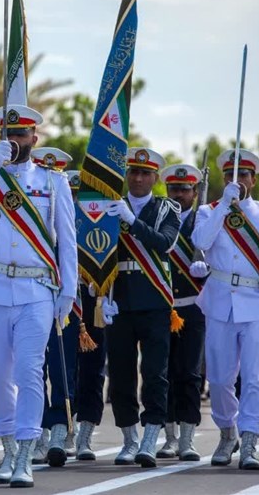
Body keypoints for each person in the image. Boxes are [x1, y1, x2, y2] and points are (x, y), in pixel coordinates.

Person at [0, 104, 77, 488]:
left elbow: (68, 242)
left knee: (29, 370)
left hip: (36, 289)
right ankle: (8, 449)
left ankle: (27, 453)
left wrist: (69, 290)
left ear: (34, 139)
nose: (13, 141)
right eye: (6, 134)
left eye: (20, 135)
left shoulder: (53, 181)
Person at [191, 149, 259, 470]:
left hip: (256, 302)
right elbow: (201, 241)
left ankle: (249, 440)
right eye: (232, 177)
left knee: (255, 377)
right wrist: (223, 205)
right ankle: (226, 430)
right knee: (219, 379)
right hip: (220, 300)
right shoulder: (209, 211)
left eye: (244, 175)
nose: (239, 181)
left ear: (254, 178)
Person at [105, 147, 181, 468]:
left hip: (154, 301)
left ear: (155, 178)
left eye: (145, 173)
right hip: (119, 299)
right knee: (120, 373)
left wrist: (132, 221)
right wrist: (101, 295)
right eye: (133, 172)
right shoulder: (110, 206)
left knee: (154, 373)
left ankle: (150, 438)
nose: (137, 178)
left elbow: (164, 243)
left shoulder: (167, 209)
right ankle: (129, 439)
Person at [28, 147, 79, 467]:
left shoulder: (62, 198)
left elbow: (70, 246)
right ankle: (39, 429)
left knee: (62, 364)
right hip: (33, 290)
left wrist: (69, 293)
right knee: (33, 365)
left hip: (57, 293)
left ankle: (61, 426)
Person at [157, 163, 206, 461]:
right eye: (173, 189)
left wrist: (207, 269)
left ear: (195, 192)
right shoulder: (160, 217)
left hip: (193, 306)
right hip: (162, 306)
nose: (178, 194)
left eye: (184, 190)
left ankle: (187, 438)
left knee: (188, 374)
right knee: (162, 373)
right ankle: (169, 436)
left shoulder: (204, 219)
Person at [67, 170, 109, 462]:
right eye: (69, 193)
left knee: (94, 369)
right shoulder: (52, 220)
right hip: (64, 298)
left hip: (94, 299)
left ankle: (86, 432)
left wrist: (104, 281)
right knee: (62, 369)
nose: (73, 199)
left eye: (77, 195)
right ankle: (62, 428)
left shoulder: (98, 221)